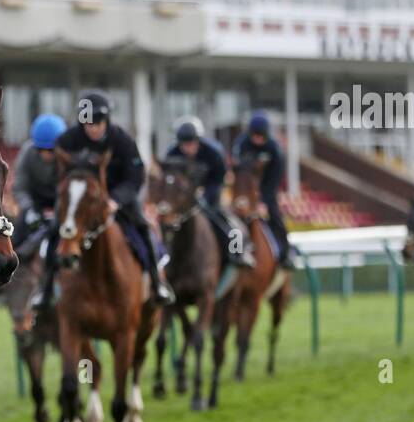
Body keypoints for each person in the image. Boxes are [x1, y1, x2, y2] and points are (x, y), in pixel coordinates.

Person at [33, 91, 175, 313]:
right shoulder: (67, 140)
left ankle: (157, 284)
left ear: (106, 120)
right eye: (88, 123)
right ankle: (46, 288)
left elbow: (135, 175)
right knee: (54, 230)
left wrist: (116, 200)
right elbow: (56, 174)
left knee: (143, 226)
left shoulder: (123, 141)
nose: (93, 128)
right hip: (81, 202)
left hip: (118, 198)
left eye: (97, 122)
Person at [164, 116, 255, 269]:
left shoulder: (214, 152)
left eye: (191, 143)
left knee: (231, 226)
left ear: (198, 140)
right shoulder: (172, 154)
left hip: (210, 197)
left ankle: (239, 252)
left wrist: (205, 197)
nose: (187, 148)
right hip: (182, 203)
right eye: (183, 144)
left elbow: (219, 179)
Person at [232, 110, 295, 268]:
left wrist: (263, 201)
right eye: (255, 135)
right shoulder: (241, 145)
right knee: (234, 219)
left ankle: (286, 253)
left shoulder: (275, 150)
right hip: (244, 190)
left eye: (261, 136)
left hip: (267, 188)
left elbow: (274, 179)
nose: (258, 139)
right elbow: (237, 171)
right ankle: (236, 251)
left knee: (275, 215)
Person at [12, 113, 66, 250]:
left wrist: (59, 212)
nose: (46, 154)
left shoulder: (68, 157)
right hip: (35, 202)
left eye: (51, 150)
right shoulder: (27, 153)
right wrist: (29, 209)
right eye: (41, 149)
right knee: (18, 236)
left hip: (61, 202)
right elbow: (19, 187)